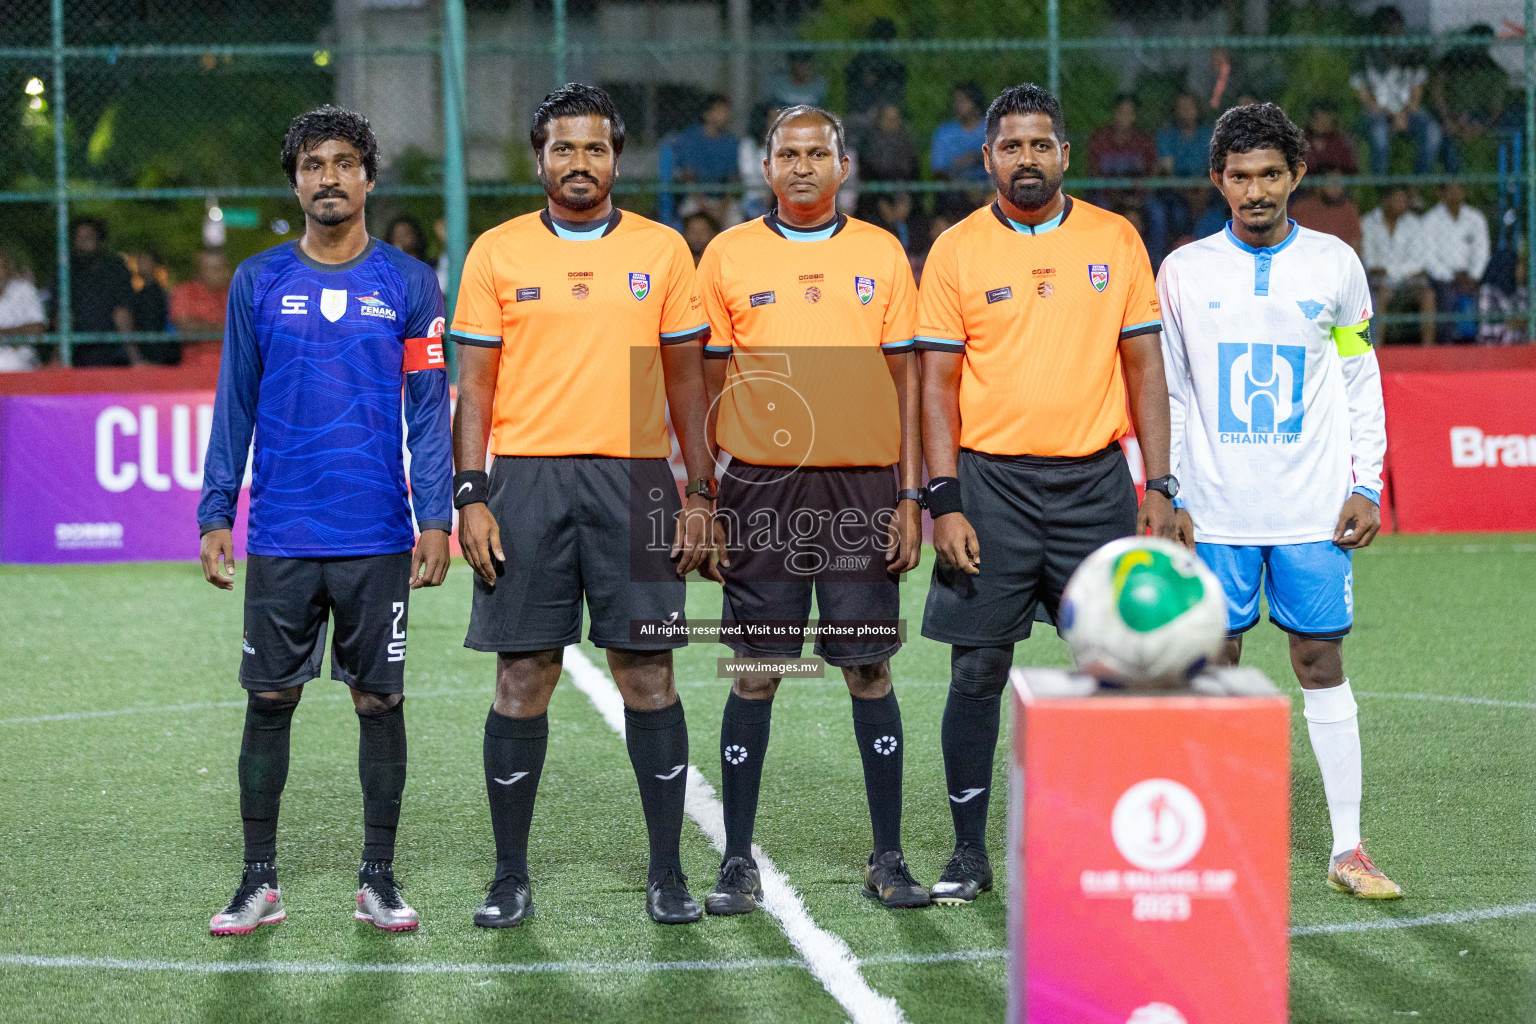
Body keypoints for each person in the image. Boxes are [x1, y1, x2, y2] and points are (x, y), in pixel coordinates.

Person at [450, 83, 716, 929]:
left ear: (616, 158)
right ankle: (508, 875)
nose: (578, 163)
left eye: (594, 148)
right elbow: (474, 391)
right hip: (525, 482)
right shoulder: (496, 253)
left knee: (649, 673)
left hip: (636, 480)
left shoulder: (664, 250)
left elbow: (687, 382)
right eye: (563, 148)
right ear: (540, 159)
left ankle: (667, 871)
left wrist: (702, 491)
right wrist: (471, 495)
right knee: (523, 675)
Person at [916, 84, 1175, 905]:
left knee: (1116, 662)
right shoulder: (956, 249)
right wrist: (942, 499)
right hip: (989, 487)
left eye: (1041, 145)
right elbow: (936, 387)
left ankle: (1114, 840)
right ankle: (967, 850)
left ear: (1066, 154)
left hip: (1095, 482)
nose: (1026, 158)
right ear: (987, 157)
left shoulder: (1116, 238)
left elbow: (1145, 370)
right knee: (978, 670)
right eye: (1010, 146)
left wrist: (1159, 483)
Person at [198, 105, 453, 937]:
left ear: (369, 178)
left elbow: (427, 412)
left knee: (380, 701)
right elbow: (233, 402)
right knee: (268, 696)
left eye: (344, 162)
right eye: (313, 165)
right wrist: (215, 511)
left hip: (377, 534)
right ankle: (258, 881)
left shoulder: (410, 285)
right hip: (282, 533)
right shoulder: (258, 281)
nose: (329, 177)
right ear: (296, 182)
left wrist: (436, 517)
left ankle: (378, 879)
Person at [1156, 102, 1400, 899]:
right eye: (1238, 176)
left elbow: (1360, 376)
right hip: (1216, 508)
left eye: (1269, 175)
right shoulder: (1185, 271)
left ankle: (1347, 846)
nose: (1254, 191)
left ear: (1296, 175)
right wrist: (1171, 489)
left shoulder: (1335, 264)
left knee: (1318, 659)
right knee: (1215, 662)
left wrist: (1368, 482)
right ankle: (1211, 836)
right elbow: (1174, 391)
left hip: (1313, 506)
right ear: (1217, 180)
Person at [695, 104, 930, 916]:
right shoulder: (726, 255)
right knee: (757, 672)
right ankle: (735, 861)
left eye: (817, 153)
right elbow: (710, 385)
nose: (802, 167)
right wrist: (709, 497)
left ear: (843, 164)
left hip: (862, 489)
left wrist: (911, 495)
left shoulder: (882, 252)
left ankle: (889, 856)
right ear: (766, 168)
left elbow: (907, 384)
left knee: (868, 667)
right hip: (763, 488)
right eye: (787, 154)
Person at [1350, 5, 1441, 176]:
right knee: (1380, 134)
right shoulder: (1366, 56)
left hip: (1408, 112)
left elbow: (1417, 91)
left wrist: (1404, 113)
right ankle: (1382, 186)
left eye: (1396, 28)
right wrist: (1391, 114)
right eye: (1388, 28)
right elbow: (1364, 96)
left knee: (1433, 132)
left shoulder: (1411, 55)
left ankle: (1417, 183)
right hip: (1378, 112)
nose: (1393, 33)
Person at [1089, 93, 1169, 263]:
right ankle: (1101, 260)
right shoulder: (1101, 138)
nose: (1125, 116)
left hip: (1138, 196)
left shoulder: (1144, 140)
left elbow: (1150, 174)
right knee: (1098, 209)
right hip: (1108, 195)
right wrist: (1118, 198)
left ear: (1134, 115)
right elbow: (1094, 174)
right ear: (1114, 113)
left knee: (1157, 213)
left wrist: (1136, 198)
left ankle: (1153, 264)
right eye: (1121, 112)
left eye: (1129, 112)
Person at [1429, 25, 1509, 174]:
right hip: (1448, 115)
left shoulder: (1494, 72)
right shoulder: (1450, 62)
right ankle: (1453, 184)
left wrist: (1481, 126)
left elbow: (1495, 110)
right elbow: (1436, 89)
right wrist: (1447, 119)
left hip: (1476, 117)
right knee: (1445, 137)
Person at [1361, 186, 1434, 345]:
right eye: (1398, 199)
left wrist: (1388, 270)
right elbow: (1370, 262)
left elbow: (1419, 262)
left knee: (1428, 296)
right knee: (1379, 297)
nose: (1402, 204)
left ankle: (1428, 351)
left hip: (1409, 281)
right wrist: (1403, 270)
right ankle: (1377, 350)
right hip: (1380, 283)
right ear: (1386, 201)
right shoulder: (1369, 222)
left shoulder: (1414, 223)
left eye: (1404, 200)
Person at [1420, 181, 1490, 343]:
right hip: (1443, 277)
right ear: (1441, 194)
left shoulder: (1475, 218)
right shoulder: (1431, 220)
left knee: (1483, 296)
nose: (1455, 193)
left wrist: (1474, 276)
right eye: (1450, 189)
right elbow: (1429, 258)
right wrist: (1451, 277)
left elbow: (1482, 252)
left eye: (1458, 188)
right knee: (1447, 297)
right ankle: (1446, 345)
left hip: (1471, 276)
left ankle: (1478, 344)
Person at [65, 217, 137, 367]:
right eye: (78, 238)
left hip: (112, 350)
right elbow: (64, 315)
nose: (82, 242)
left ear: (100, 240)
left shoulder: (115, 267)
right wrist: (60, 354)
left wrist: (134, 356)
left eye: (88, 237)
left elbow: (122, 312)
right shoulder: (68, 269)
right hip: (77, 350)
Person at [855, 102, 924, 251]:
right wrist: (882, 203)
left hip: (904, 200)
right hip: (875, 201)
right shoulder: (869, 147)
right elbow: (867, 179)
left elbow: (915, 179)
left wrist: (906, 202)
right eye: (888, 119)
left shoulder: (907, 145)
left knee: (918, 223)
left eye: (895, 119)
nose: (892, 124)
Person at [674, 93, 741, 227]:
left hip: (722, 201)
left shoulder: (731, 141)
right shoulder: (691, 137)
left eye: (725, 111)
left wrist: (722, 208)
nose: (724, 115)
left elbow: (732, 179)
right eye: (719, 111)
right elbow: (688, 176)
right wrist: (704, 207)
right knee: (690, 219)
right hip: (695, 199)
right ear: (706, 114)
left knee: (736, 223)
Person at [844, 18, 907, 117]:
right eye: (880, 39)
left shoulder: (896, 67)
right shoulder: (859, 63)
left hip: (885, 113)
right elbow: (853, 94)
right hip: (861, 112)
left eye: (887, 40)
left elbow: (897, 96)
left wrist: (879, 108)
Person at [930, 81, 989, 184]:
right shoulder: (945, 133)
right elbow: (938, 172)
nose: (957, 106)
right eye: (955, 101)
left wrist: (977, 158)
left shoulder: (992, 130)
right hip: (956, 190)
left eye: (962, 102)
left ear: (975, 102)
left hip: (988, 189)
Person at [127, 247, 176, 366]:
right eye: (139, 261)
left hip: (156, 353)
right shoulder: (141, 293)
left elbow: (153, 324)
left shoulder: (156, 294)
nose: (139, 265)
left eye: (145, 261)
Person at [1290, 177, 1364, 254]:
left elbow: (1356, 245)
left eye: (1339, 182)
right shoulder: (1301, 208)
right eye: (1332, 182)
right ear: (1318, 185)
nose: (1336, 187)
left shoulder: (1349, 209)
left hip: (1340, 262)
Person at [0, 246, 45, 372]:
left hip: (21, 359)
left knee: (7, 363)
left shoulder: (24, 290)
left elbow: (37, 327)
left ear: (8, 269)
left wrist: (4, 334)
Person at [170, 248, 231, 338]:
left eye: (225, 268)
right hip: (201, 351)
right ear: (202, 270)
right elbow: (184, 326)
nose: (226, 273)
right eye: (218, 269)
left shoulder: (231, 292)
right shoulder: (185, 292)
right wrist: (219, 328)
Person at [1156, 93, 1214, 179]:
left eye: (1189, 107)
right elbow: (1168, 169)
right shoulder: (1167, 135)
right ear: (1176, 111)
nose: (1186, 111)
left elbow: (1213, 165)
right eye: (1182, 107)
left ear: (1197, 110)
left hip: (1204, 182)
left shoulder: (1208, 134)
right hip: (1176, 183)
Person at [1303, 102, 1361, 176]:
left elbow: (1352, 169)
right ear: (1311, 120)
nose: (1321, 124)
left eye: (1325, 121)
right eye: (1318, 120)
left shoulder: (1340, 142)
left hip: (1335, 185)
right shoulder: (1301, 142)